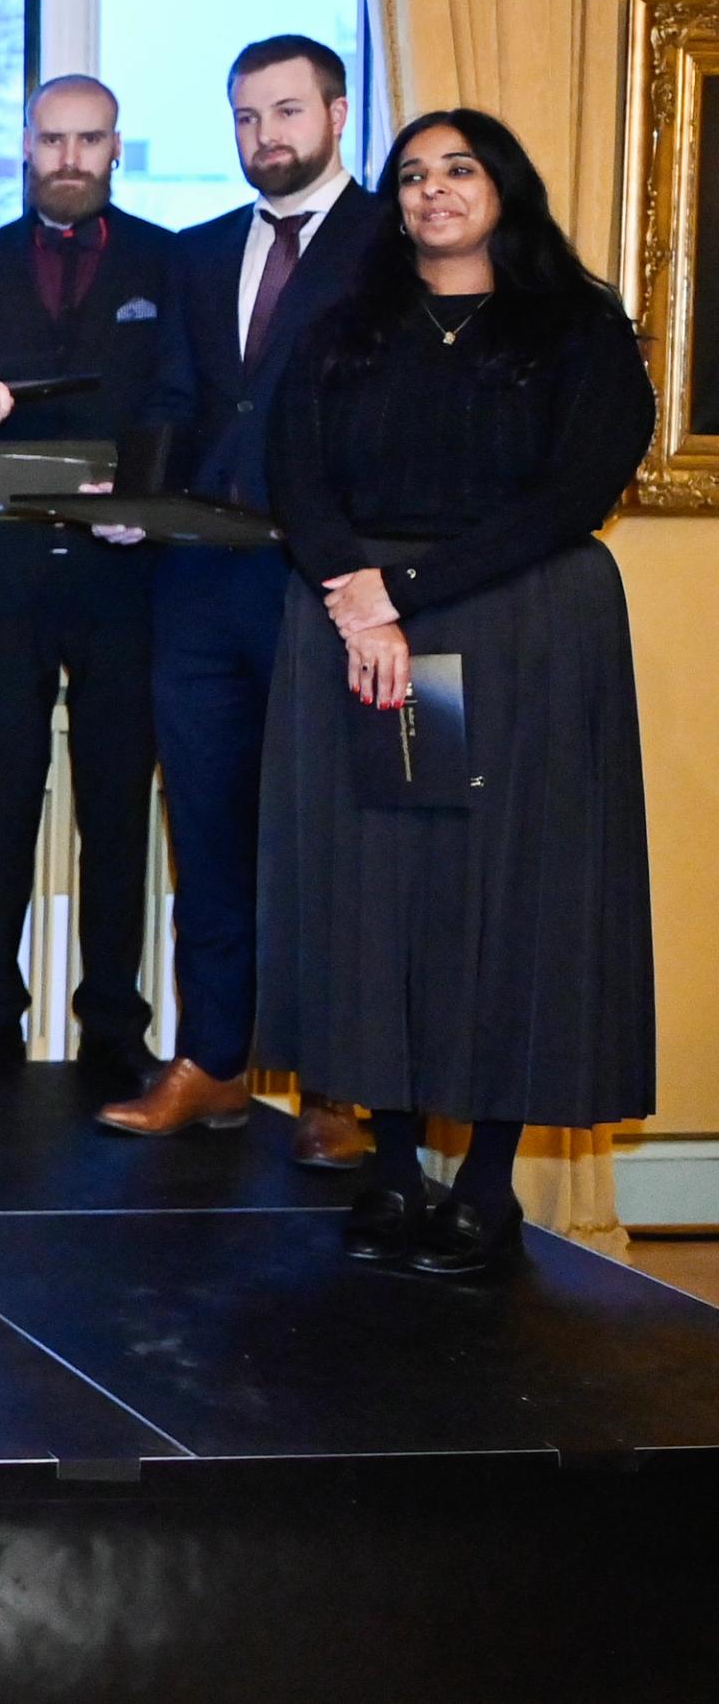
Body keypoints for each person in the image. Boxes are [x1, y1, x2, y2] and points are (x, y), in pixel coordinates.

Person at [263, 109, 653, 1277]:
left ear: (504, 187)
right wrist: (361, 600)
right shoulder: (345, 326)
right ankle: (391, 1170)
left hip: (517, 631)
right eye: (412, 175)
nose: (433, 190)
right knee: (375, 892)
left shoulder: (578, 329)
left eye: (459, 169)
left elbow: (572, 497)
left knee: (508, 897)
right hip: (363, 632)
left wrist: (405, 593)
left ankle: (486, 1186)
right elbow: (295, 475)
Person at [95, 35, 382, 1163]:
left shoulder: (391, 243)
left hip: (330, 587)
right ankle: (213, 1059)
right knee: (207, 831)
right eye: (247, 117)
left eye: (286, 112)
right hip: (201, 585)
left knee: (333, 836)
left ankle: (338, 1087)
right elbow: (174, 395)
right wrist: (135, 500)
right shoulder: (202, 251)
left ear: (337, 114)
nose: (266, 136)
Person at [0, 76, 175, 1098]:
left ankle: (114, 1025)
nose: (69, 156)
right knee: (3, 793)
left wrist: (150, 494)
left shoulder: (170, 262)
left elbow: (185, 402)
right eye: (51, 138)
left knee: (118, 801)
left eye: (89, 138)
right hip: (2, 563)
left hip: (126, 565)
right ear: (25, 146)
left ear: (117, 145)